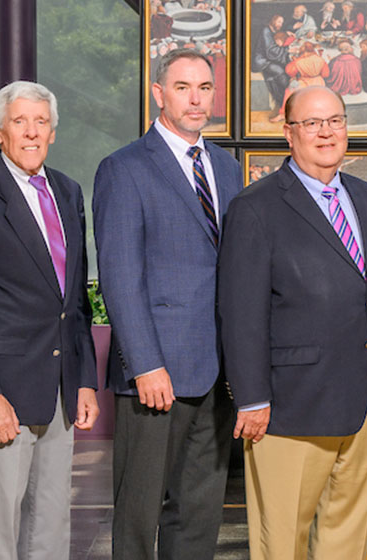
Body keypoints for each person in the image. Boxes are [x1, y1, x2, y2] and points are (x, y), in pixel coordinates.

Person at [218, 86, 367, 560]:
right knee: (282, 542)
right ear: (288, 133)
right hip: (289, 407)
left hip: (364, 405)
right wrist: (252, 398)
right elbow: (240, 312)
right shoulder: (256, 207)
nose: (326, 132)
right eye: (312, 123)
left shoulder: (365, 196)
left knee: (348, 539)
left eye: (335, 120)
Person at [0, 80, 100, 560]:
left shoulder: (68, 192)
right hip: (2, 391)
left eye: (41, 122)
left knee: (51, 523)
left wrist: (84, 379)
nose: (31, 132)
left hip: (60, 390)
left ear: (53, 132)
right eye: (20, 122)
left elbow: (75, 301)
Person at [94, 49, 243, 560]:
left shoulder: (225, 167)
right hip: (155, 373)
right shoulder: (124, 168)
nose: (197, 98)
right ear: (158, 94)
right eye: (183, 87)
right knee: (138, 512)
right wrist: (145, 363)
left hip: (215, 372)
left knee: (199, 512)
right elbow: (119, 276)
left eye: (205, 87)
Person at [255, 14, 292, 122]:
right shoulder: (265, 31)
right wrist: (287, 51)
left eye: (282, 22)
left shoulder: (271, 30)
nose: (280, 24)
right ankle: (284, 103)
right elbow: (271, 51)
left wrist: (286, 34)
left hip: (269, 59)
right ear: (273, 21)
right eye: (279, 22)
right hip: (262, 61)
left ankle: (285, 104)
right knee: (281, 73)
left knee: (286, 69)